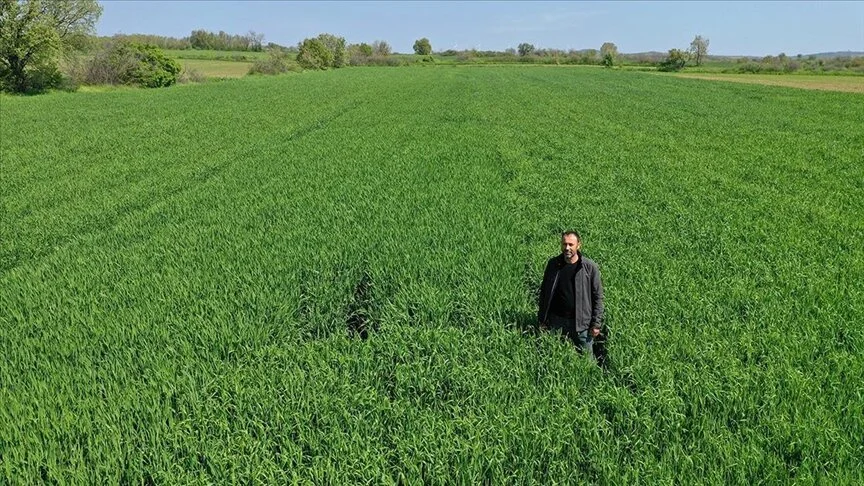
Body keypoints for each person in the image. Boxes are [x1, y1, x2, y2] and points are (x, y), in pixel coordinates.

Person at [537, 230, 605, 357]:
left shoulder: (589, 267)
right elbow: (544, 292)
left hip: (581, 325)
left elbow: (598, 297)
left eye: (570, 244)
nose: (567, 248)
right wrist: (542, 319)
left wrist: (596, 324)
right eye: (564, 244)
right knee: (555, 358)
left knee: (587, 361)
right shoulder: (553, 264)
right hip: (556, 322)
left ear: (578, 245)